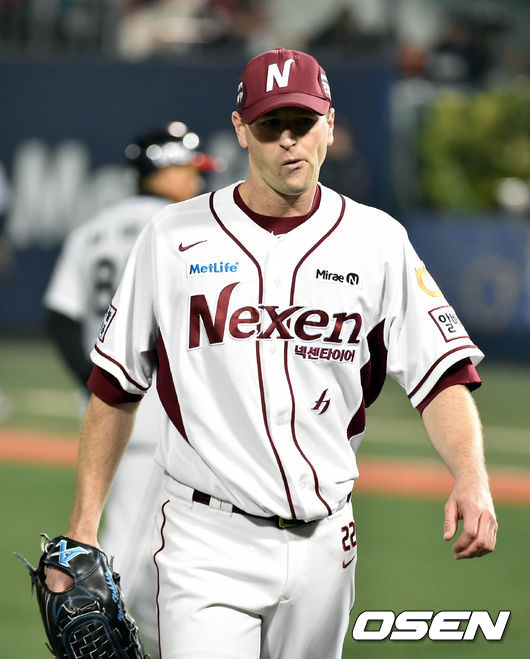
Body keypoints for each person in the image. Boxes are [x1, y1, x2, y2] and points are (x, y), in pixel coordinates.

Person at [46, 48, 497, 659]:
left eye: (303, 123)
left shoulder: (377, 240)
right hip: (205, 537)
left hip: (326, 542)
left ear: (329, 126)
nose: (289, 140)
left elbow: (442, 375)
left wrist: (471, 476)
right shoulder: (171, 236)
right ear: (241, 130)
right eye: (270, 125)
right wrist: (83, 527)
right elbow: (113, 386)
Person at [42, 120, 217, 656]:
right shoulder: (186, 231)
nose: (198, 179)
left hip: (108, 418)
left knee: (157, 566)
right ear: (160, 169)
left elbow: (60, 318)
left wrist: (100, 388)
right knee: (120, 560)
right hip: (164, 419)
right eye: (189, 168)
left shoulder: (93, 230)